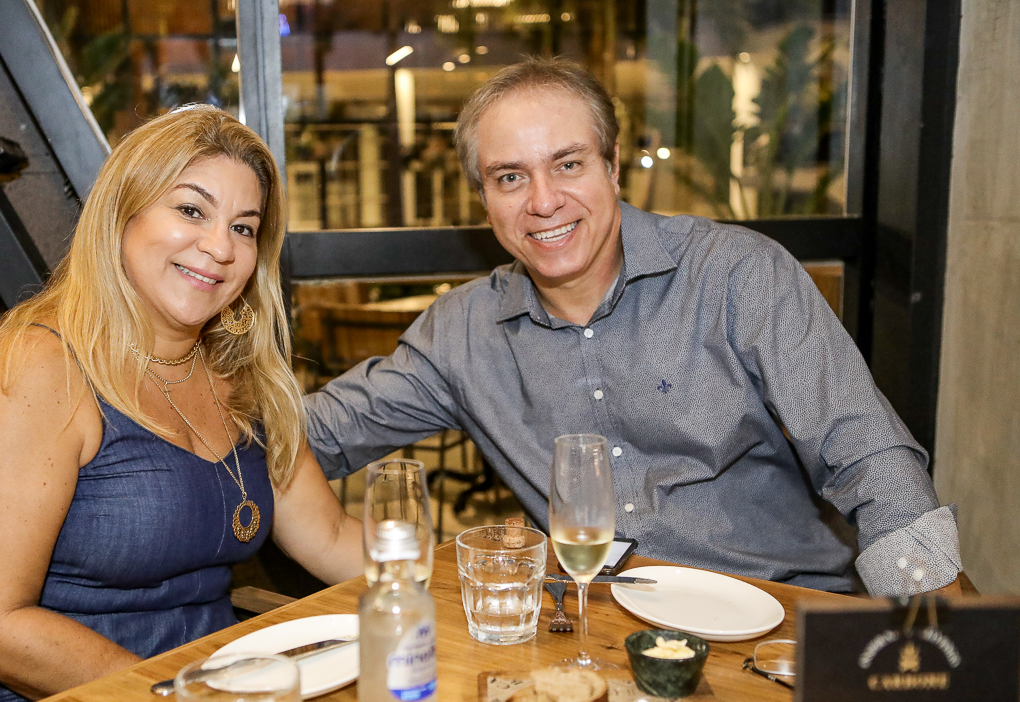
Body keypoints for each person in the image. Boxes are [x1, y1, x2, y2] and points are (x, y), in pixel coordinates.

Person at [305, 58, 963, 597]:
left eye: (568, 164)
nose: (543, 201)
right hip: (594, 625)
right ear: (483, 197)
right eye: (510, 177)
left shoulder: (737, 273)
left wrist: (930, 619)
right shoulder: (460, 333)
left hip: (777, 610)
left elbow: (865, 451)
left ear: (613, 165)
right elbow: (315, 436)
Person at [0, 105, 363, 702]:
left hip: (202, 696)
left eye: (244, 227)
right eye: (191, 210)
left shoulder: (241, 375)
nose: (220, 247)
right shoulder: (36, 368)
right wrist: (184, 701)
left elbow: (331, 537)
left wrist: (464, 570)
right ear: (122, 212)